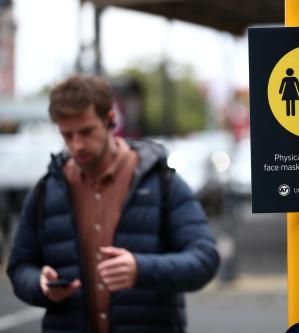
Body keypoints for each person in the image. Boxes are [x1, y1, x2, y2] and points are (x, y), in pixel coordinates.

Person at [7, 74, 220, 333]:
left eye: (86, 131)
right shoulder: (46, 190)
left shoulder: (161, 182)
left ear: (110, 120)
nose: (77, 145)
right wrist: (38, 285)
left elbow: (204, 259)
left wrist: (141, 269)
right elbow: (19, 266)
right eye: (67, 135)